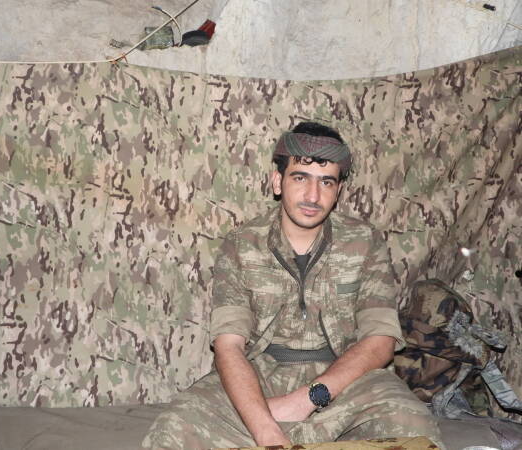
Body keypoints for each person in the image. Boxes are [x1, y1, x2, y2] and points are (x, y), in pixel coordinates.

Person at [141, 122, 443, 449]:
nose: (313, 196)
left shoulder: (364, 242)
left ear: (339, 190)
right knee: (174, 429)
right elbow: (229, 347)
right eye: (300, 178)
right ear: (278, 181)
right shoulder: (242, 244)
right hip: (258, 379)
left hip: (347, 383)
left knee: (414, 428)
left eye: (326, 182)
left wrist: (307, 399)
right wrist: (265, 430)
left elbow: (379, 342)